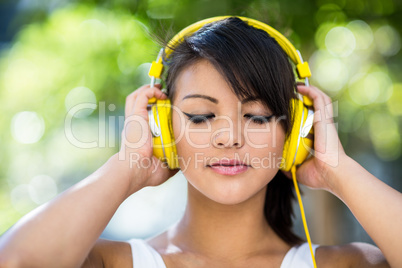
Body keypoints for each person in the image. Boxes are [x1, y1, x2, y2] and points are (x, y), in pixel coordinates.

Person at [0, 16, 400, 268]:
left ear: (293, 134)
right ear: (164, 126)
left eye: (258, 117)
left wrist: (339, 172)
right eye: (201, 116)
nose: (229, 137)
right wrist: (126, 169)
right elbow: (16, 261)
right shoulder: (116, 261)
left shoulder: (344, 264)